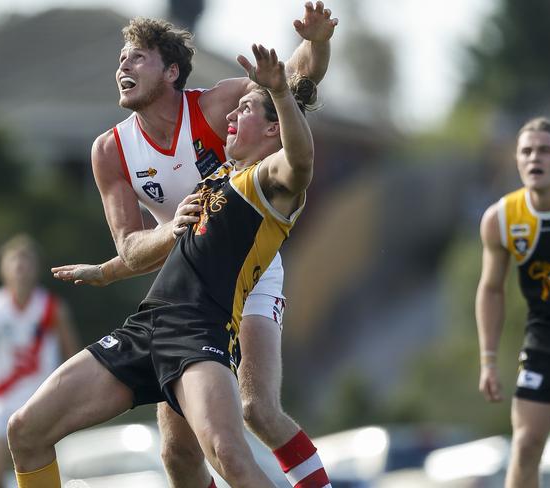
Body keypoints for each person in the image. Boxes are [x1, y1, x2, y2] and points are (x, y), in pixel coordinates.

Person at [51, 3, 337, 487]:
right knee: (178, 454)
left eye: (137, 57)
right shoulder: (110, 150)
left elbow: (295, 81)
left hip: (250, 266)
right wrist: (165, 233)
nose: (122, 66)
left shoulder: (218, 105)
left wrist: (318, 41)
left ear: (172, 71)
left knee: (257, 409)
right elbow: (132, 248)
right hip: (188, 286)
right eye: (121, 59)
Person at [476, 117, 550, 488]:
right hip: (545, 340)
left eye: (544, 150)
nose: (534, 158)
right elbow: (492, 289)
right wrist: (489, 360)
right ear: (516, 160)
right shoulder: (502, 218)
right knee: (525, 446)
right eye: (526, 151)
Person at [0, 234, 79, 488]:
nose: (20, 266)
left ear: (35, 268)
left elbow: (72, 354)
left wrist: (71, 397)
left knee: (39, 468)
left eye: (26, 261)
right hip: (2, 397)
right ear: (2, 268)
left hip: (40, 395)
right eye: (14, 260)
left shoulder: (51, 306)